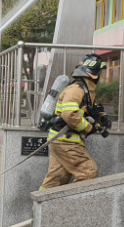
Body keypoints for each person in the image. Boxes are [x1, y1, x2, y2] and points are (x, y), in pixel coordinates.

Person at [39, 53, 108, 190]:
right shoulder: (76, 89)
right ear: (94, 74)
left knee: (56, 181)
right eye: (101, 73)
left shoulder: (85, 90)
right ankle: (73, 207)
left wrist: (101, 116)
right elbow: (69, 114)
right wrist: (89, 127)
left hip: (61, 140)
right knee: (88, 173)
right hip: (66, 141)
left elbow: (84, 109)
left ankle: (41, 209)